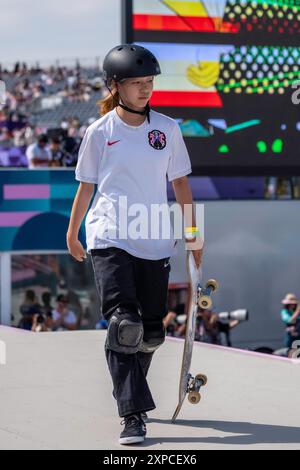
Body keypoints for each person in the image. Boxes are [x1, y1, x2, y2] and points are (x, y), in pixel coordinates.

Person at [66, 44, 203, 445]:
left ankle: (129, 391)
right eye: (137, 83)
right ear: (116, 86)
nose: (146, 90)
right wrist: (73, 232)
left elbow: (181, 186)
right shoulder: (100, 132)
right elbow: (85, 188)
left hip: (154, 236)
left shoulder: (168, 130)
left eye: (149, 83)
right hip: (110, 234)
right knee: (124, 325)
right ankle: (133, 413)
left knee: (151, 333)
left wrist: (193, 236)